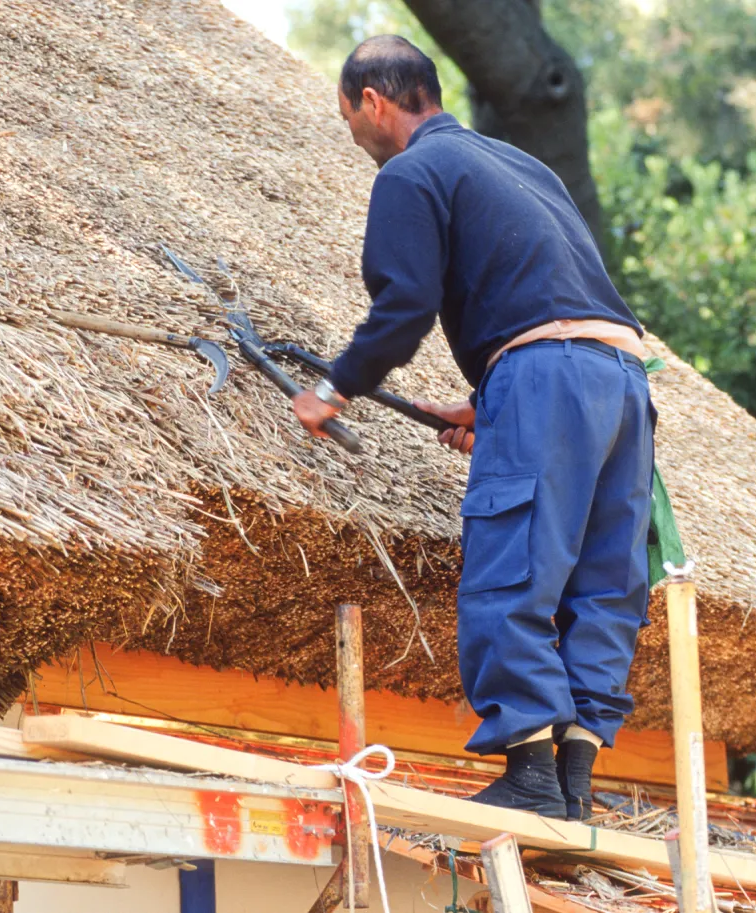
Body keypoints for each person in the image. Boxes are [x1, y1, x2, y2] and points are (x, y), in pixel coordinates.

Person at [293, 35, 654, 822]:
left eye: (348, 115)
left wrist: (334, 386)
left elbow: (405, 306)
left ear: (374, 102)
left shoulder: (411, 172)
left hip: (546, 374)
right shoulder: (523, 165)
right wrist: (491, 399)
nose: (353, 133)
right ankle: (572, 784)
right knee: (604, 582)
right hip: (622, 383)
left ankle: (528, 771)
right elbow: (556, 291)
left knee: (512, 559)